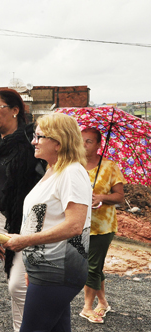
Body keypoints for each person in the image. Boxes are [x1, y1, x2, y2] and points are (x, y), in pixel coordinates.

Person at [3, 113, 92, 332]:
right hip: (45, 267)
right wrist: (30, 263)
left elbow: (74, 226)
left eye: (40, 136)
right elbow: (45, 221)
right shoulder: (53, 170)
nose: (33, 141)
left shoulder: (72, 172)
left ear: (58, 143)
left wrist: (25, 241)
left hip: (57, 270)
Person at [0, 89, 44, 331]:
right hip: (4, 224)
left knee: (19, 286)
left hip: (32, 224)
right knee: (16, 284)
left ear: (15, 110)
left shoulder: (33, 141)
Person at [79, 127, 125, 324]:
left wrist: (102, 197)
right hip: (79, 225)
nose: (84, 144)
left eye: (89, 141)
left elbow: (120, 197)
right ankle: (103, 302)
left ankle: (87, 307)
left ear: (99, 145)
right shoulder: (74, 165)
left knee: (91, 266)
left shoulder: (110, 166)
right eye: (81, 140)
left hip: (102, 227)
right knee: (93, 265)